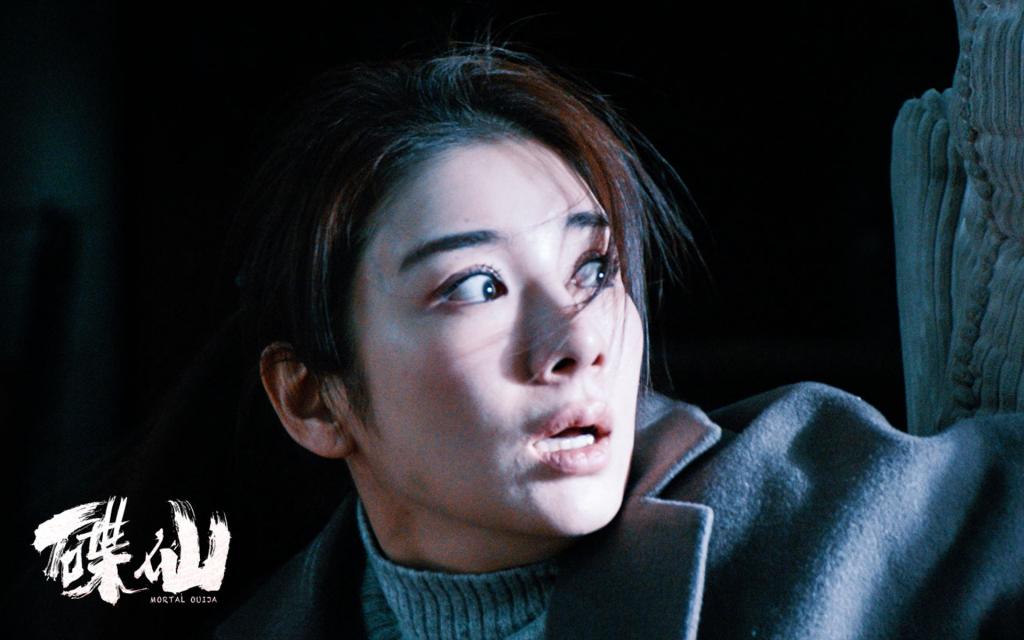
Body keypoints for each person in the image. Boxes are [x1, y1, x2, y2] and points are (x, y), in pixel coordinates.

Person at [214, 37, 1024, 640]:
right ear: (313, 400)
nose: (576, 342)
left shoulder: (822, 504)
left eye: (593, 270)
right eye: (477, 287)